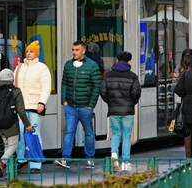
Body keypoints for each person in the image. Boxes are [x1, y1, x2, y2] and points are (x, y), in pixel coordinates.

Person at [55, 40, 101, 169]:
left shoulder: (92, 65)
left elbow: (97, 86)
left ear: (83, 51)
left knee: (88, 132)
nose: (74, 52)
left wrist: (91, 105)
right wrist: (64, 101)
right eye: (73, 50)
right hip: (70, 106)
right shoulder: (68, 65)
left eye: (77, 50)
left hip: (85, 106)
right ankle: (66, 159)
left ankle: (90, 158)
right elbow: (64, 83)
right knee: (69, 132)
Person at [14, 40, 52, 174]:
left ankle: (35, 163)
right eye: (27, 51)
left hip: (36, 106)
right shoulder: (19, 67)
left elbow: (46, 87)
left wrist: (42, 102)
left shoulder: (42, 68)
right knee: (20, 135)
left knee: (34, 134)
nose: (28, 53)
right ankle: (21, 160)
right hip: (21, 106)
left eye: (31, 51)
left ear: (36, 53)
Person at [100, 51, 141, 172]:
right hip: (128, 110)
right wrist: (131, 103)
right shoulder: (133, 76)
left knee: (116, 133)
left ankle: (114, 154)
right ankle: (126, 162)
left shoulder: (108, 75)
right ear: (128, 61)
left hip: (113, 110)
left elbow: (103, 91)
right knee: (127, 135)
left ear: (117, 60)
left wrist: (110, 102)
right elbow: (136, 93)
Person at [0, 69, 33, 178]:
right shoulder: (16, 91)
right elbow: (21, 111)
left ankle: (9, 172)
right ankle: (2, 162)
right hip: (11, 124)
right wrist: (27, 125)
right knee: (13, 145)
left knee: (7, 146)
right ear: (11, 78)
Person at [173, 48, 192, 158]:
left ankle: (189, 155)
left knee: (187, 131)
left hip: (184, 102)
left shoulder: (179, 68)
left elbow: (175, 86)